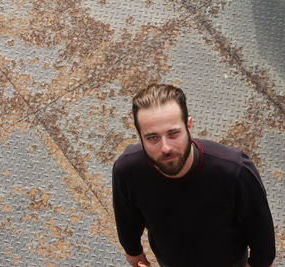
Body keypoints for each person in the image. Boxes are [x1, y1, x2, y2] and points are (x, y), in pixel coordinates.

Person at [112, 84, 275, 267]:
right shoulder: (127, 170)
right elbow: (127, 219)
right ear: (139, 136)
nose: (165, 147)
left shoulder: (234, 171)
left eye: (173, 134)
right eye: (153, 138)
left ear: (188, 126)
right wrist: (134, 252)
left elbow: (263, 239)